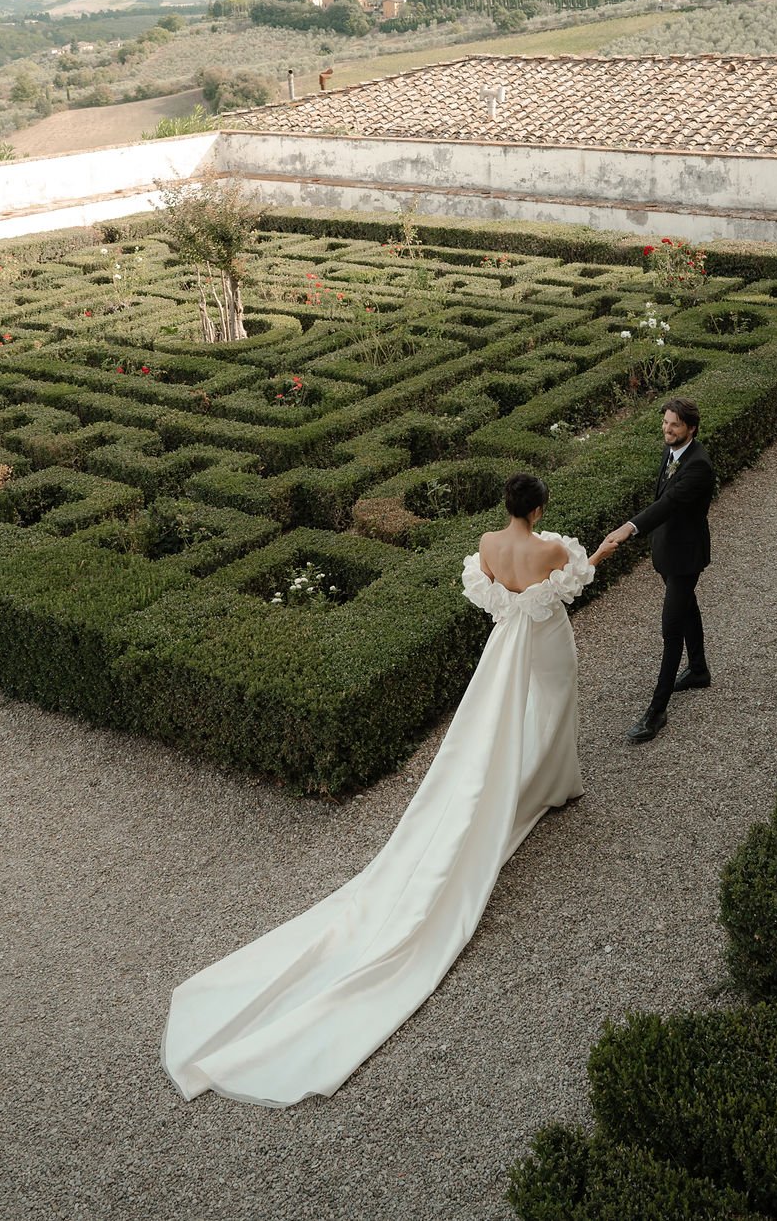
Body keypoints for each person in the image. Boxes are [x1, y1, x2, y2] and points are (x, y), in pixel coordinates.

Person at [161, 473, 615, 1107]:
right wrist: (610, 543)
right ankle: (552, 784)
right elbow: (576, 578)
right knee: (555, 704)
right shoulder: (548, 552)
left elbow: (491, 598)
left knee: (511, 724)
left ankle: (540, 783)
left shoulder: (488, 545)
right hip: (545, 648)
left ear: (505, 506)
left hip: (505, 647)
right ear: (538, 508)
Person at [604, 397, 715, 744]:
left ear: (691, 429)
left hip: (685, 557)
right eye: (666, 423)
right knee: (687, 608)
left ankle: (657, 710)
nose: (667, 429)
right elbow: (662, 499)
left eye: (675, 425)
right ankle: (698, 670)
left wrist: (629, 528)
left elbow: (667, 504)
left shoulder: (698, 466)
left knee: (671, 629)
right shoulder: (673, 451)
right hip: (667, 550)